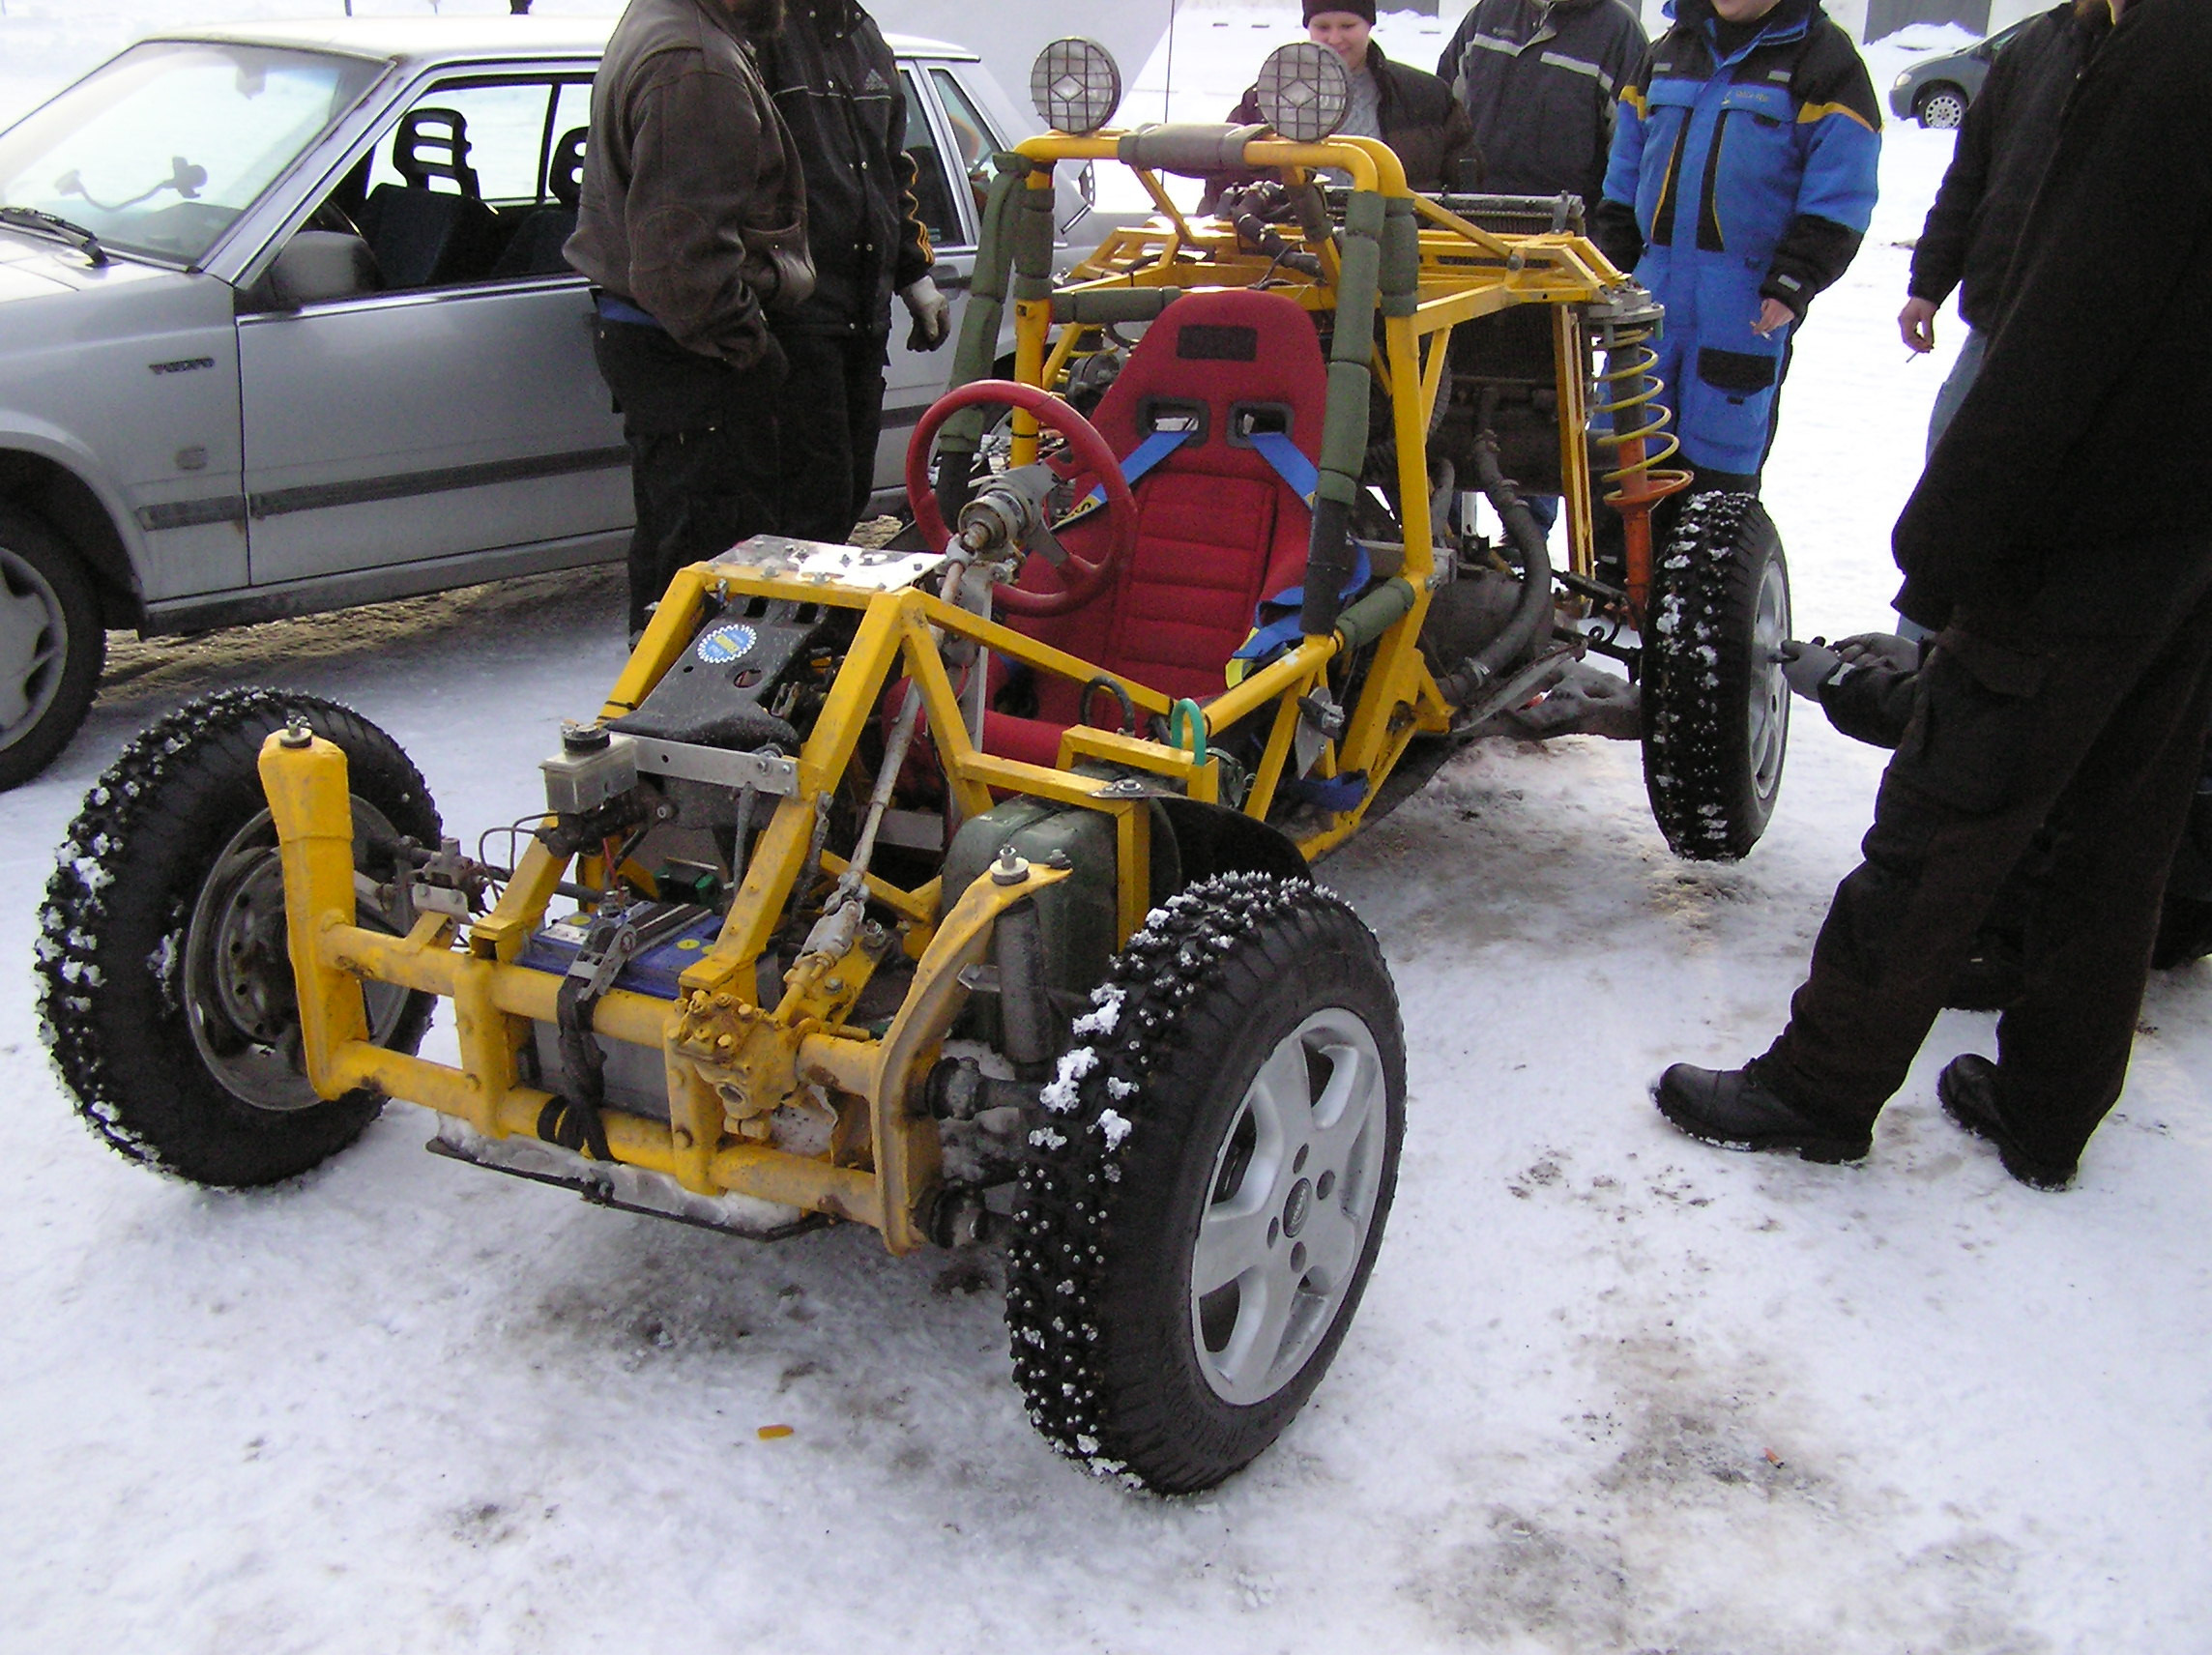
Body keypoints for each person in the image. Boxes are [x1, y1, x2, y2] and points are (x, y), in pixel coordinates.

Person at [1652, 0, 2212, 1191]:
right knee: (2120, 831)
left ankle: (1817, 1086)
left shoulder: (2159, 62)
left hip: (2079, 518)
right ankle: (2048, 1102)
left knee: (1940, 822)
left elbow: (2070, 314)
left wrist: (1948, 536)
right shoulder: (2110, 43)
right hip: (2181, 532)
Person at [566, 0, 813, 637]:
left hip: (663, 341)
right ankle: (689, 721)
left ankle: (658, 703)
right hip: (691, 351)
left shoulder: (670, 23)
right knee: (710, 572)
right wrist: (747, 345)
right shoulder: (697, 63)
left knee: (674, 555)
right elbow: (681, 265)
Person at [1589, 0, 1879, 497]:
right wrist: (1610, 264)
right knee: (1620, 452)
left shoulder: (1825, 61)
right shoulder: (1668, 52)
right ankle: (1613, 570)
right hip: (1648, 291)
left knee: (1719, 465)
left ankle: (1711, 567)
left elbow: (1841, 192)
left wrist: (1795, 279)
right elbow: (1624, 172)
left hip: (1745, 303)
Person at [757, 0, 947, 545]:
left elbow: (892, 170)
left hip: (864, 317)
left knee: (849, 489)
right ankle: (796, 621)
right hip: (794, 314)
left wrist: (915, 277)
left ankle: (818, 619)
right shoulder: (764, 34)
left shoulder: (863, 37)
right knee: (810, 497)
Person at [1902, 0, 2109, 458]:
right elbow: (1970, 175)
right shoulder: (2036, 44)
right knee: (1950, 474)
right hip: (1997, 321)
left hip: (2104, 343)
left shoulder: (2173, 58)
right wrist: (1929, 285)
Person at [1206, 1, 1473, 205]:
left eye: (1347, 26)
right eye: (1323, 27)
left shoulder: (1425, 96)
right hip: (1291, 253)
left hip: (1400, 251)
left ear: (1369, 25)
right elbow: (1222, 188)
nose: (1334, 39)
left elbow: (1467, 187)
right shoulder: (1264, 101)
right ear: (1308, 28)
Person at [1435, 0, 1647, 209]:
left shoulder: (1619, 32)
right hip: (1470, 224)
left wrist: (1613, 233)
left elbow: (1631, 155)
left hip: (1566, 232)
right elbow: (1440, 120)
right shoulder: (1486, 14)